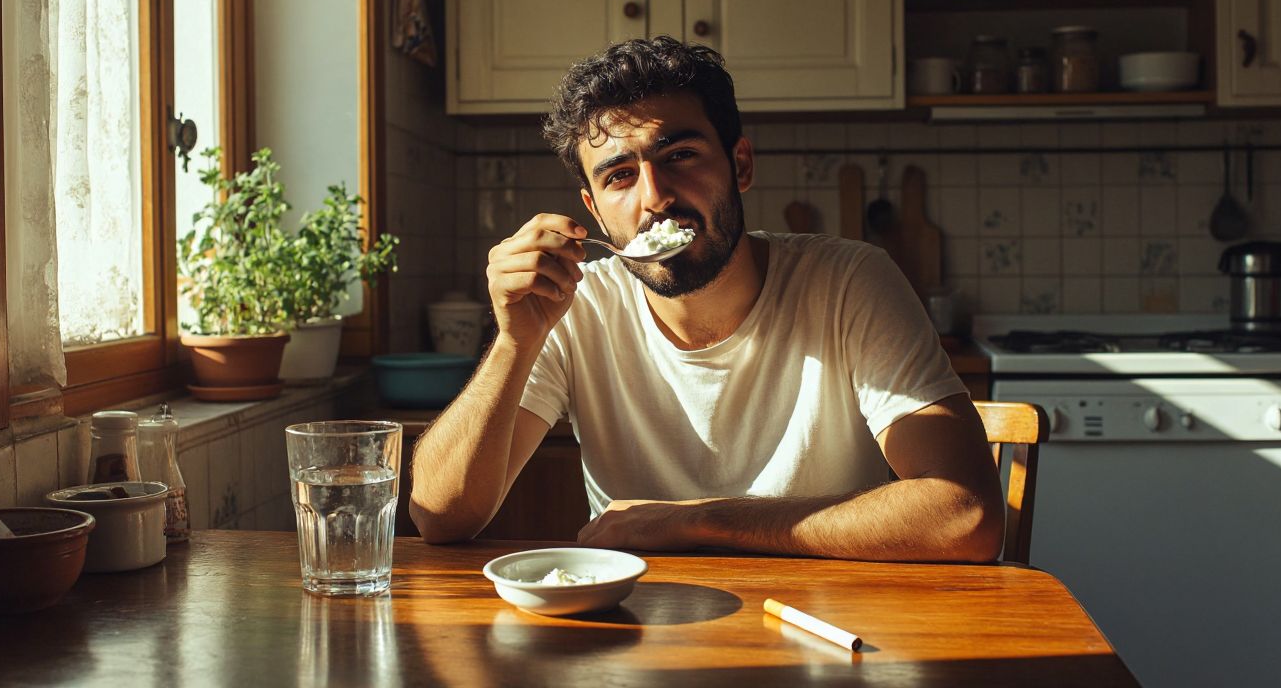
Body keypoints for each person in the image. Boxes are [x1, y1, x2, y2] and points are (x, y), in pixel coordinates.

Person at [409, 36, 1004, 562]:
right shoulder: (577, 305)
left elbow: (965, 514)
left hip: (835, 629)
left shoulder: (849, 282)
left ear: (739, 165)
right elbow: (440, 517)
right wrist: (516, 340)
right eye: (619, 176)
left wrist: (696, 520)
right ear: (592, 209)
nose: (656, 197)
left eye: (681, 157)